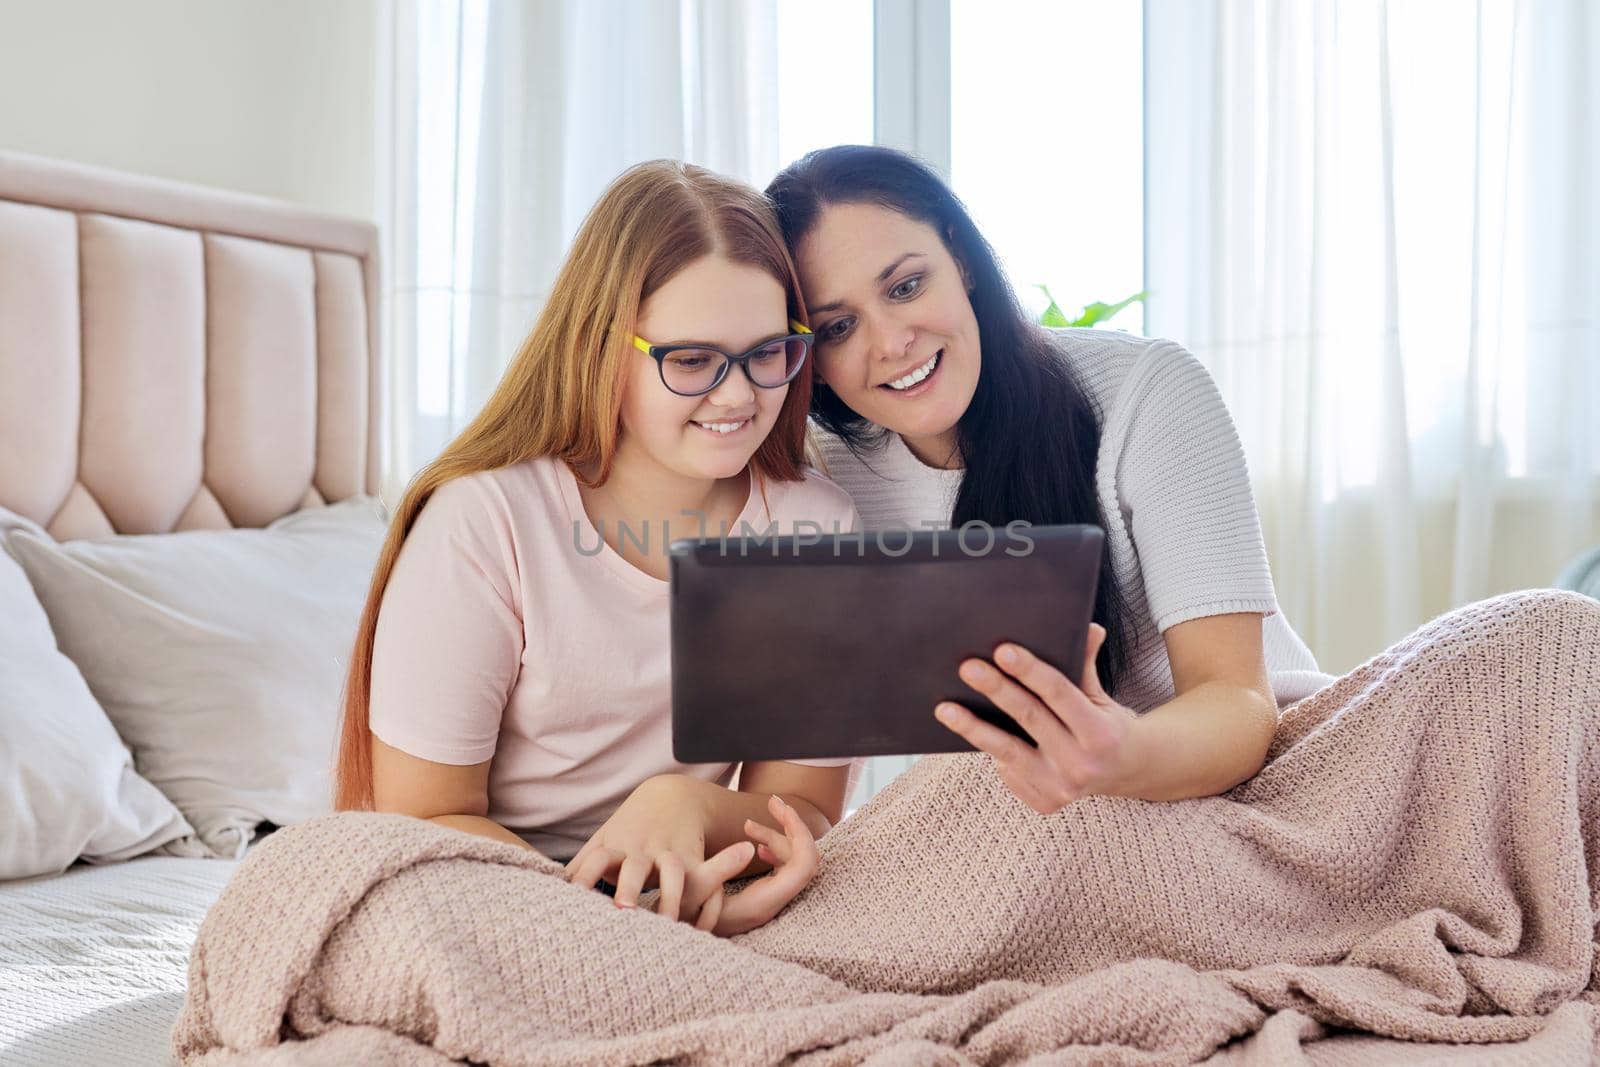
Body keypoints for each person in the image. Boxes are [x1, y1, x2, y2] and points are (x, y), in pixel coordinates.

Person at [334, 160, 859, 937]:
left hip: (695, 893)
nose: (741, 395)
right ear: (604, 346)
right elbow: (423, 823)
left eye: (768, 352)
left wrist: (684, 806)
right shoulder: (487, 520)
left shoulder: (813, 524)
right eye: (691, 360)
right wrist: (626, 921)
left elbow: (804, 812)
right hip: (483, 893)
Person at [767, 145, 1334, 814]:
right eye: (839, 326)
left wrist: (1121, 754)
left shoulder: (1147, 392)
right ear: (810, 356)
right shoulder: (824, 473)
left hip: (1265, 780)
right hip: (1046, 826)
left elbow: (1238, 700)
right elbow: (809, 776)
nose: (890, 342)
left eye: (906, 286)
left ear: (963, 261)